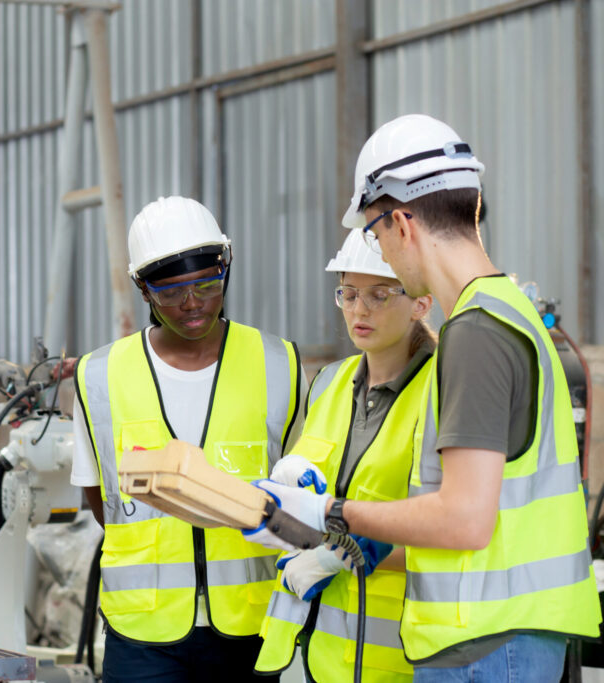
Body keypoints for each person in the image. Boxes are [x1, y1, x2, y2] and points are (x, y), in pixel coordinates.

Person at [244, 114, 601, 682]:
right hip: (501, 635)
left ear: (402, 223)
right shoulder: (505, 312)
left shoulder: (475, 332)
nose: (383, 255)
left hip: (485, 643)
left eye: (375, 235)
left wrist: (328, 513)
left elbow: (463, 519)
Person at [71, 195, 304, 682]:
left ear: (226, 267)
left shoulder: (279, 364)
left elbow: (301, 487)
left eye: (206, 284)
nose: (193, 302)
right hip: (142, 632)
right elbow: (101, 499)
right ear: (143, 289)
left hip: (252, 623)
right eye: (172, 291)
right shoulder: (99, 376)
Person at [255, 228, 435, 682]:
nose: (359, 310)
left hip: (390, 660)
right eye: (349, 294)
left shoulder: (442, 392)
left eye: (379, 295)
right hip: (311, 651)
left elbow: (453, 531)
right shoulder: (329, 383)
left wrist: (338, 553)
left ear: (421, 303)